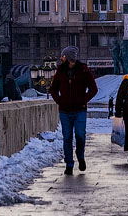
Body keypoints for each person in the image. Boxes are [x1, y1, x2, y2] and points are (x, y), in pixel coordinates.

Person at [48, 46, 98, 175]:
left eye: (63, 56)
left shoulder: (83, 70)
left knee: (80, 135)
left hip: (79, 111)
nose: (61, 58)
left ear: (68, 58)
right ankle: (69, 164)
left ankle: (80, 157)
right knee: (67, 138)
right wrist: (59, 100)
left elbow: (93, 89)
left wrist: (83, 100)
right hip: (64, 111)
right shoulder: (60, 71)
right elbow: (53, 89)